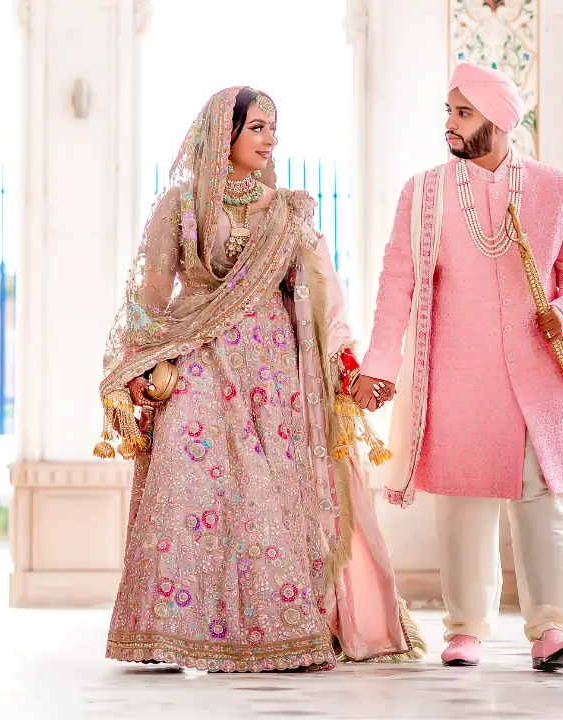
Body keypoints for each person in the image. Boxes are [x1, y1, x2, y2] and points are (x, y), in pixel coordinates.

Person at [95, 86, 424, 673]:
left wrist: (348, 364)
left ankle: (279, 631)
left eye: (274, 128)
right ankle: (170, 629)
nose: (271, 139)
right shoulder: (181, 207)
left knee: (268, 498)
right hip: (198, 359)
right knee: (186, 483)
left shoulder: (288, 211)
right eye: (259, 128)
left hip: (274, 376)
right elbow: (149, 297)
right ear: (226, 132)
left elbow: (325, 295)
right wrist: (140, 364)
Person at [350, 63, 563, 672]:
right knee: (462, 503)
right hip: (457, 372)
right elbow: (397, 281)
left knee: (540, 497)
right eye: (448, 112)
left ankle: (553, 629)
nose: (449, 125)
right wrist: (380, 364)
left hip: (533, 375)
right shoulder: (425, 192)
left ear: (498, 120)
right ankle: (465, 629)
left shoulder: (551, 187)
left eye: (462, 113)